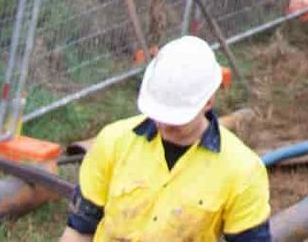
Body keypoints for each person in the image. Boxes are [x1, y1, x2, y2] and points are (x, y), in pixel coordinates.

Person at [60, 36, 271, 242]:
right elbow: (78, 230)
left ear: (208, 101)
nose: (163, 124)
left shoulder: (242, 170)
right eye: (159, 114)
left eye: (175, 117)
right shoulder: (114, 141)